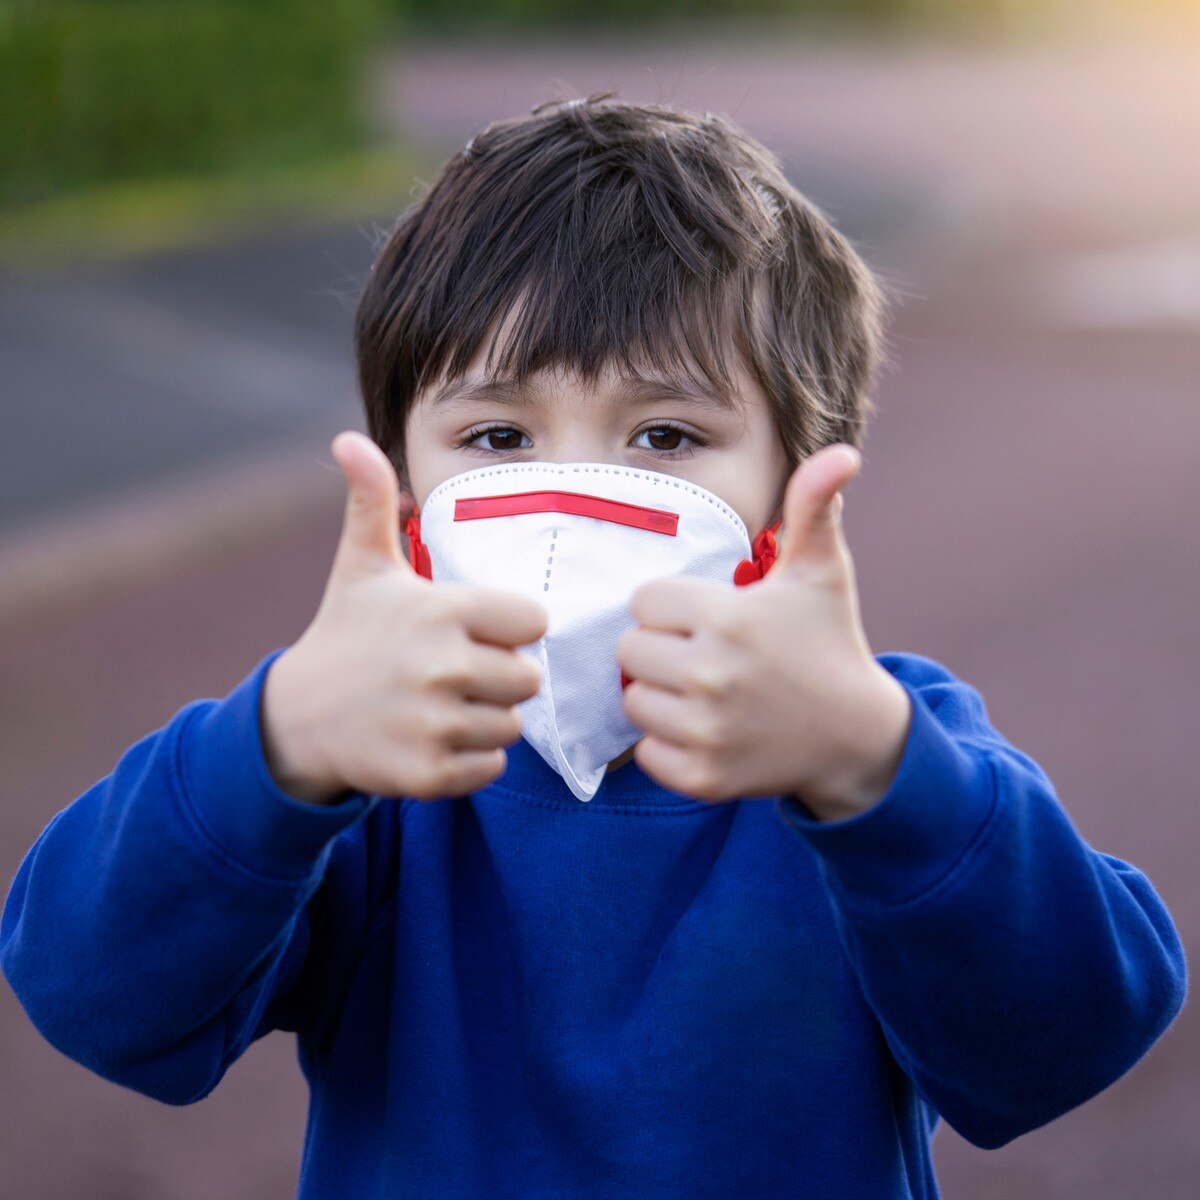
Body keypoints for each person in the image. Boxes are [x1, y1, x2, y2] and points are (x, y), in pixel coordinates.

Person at [0, 95, 1186, 1199]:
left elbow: (1068, 1039)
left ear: (788, 492)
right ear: (408, 494)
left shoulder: (874, 743)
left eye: (666, 433)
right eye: (498, 434)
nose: (573, 497)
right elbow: (93, 995)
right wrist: (276, 748)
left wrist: (878, 773)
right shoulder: (367, 759)